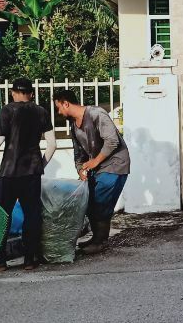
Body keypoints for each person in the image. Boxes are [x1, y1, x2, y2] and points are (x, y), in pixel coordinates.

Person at [0, 78, 56, 272]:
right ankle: (30, 259)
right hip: (31, 173)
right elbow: (52, 145)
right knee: (32, 216)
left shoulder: (7, 110)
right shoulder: (41, 112)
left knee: (1, 216)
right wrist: (40, 165)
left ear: (13, 92)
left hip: (9, 173)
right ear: (31, 94)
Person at [53, 89, 130, 255]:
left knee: (100, 202)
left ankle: (100, 242)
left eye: (58, 107)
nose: (58, 112)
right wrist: (80, 169)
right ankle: (96, 238)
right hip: (98, 168)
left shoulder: (96, 114)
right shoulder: (74, 125)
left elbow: (112, 141)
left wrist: (94, 161)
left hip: (115, 165)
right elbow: (78, 152)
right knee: (90, 202)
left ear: (66, 103)